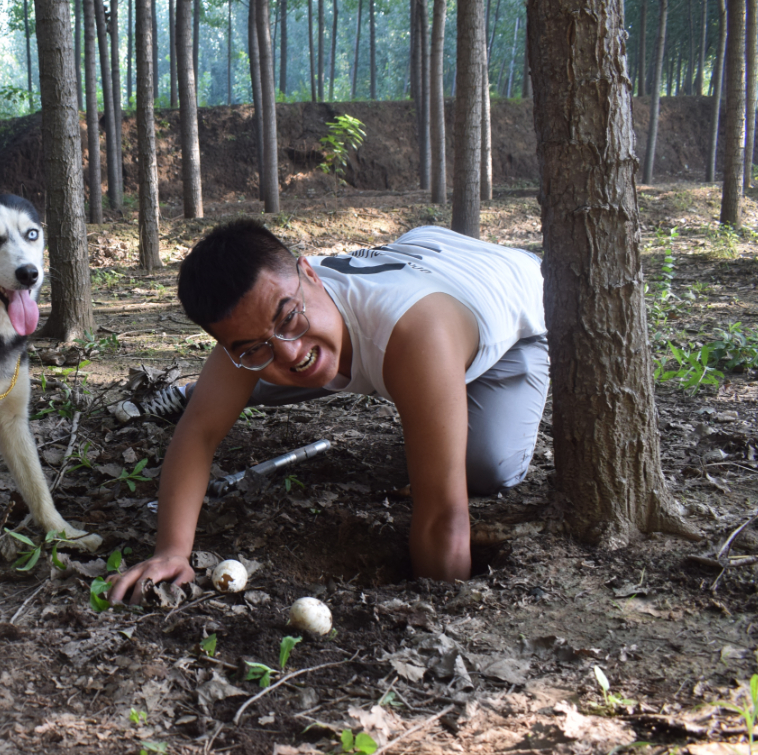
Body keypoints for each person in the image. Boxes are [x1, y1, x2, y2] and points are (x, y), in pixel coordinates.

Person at [108, 220, 548, 603]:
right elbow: (199, 432)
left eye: (289, 318)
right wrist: (170, 551)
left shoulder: (416, 335)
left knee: (488, 466)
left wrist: (441, 611)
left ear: (309, 273)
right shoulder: (264, 310)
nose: (289, 348)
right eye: (249, 346)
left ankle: (434, 397)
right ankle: (204, 388)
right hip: (421, 257)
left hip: (510, 304)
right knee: (287, 364)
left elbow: (443, 515)